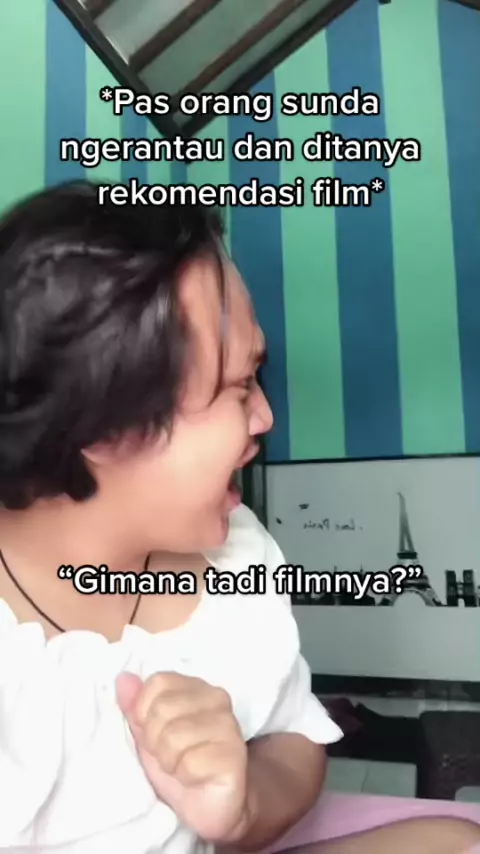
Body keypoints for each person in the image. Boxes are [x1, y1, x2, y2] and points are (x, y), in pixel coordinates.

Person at [0, 181, 478, 854]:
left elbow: (294, 741)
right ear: (106, 424)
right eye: (239, 385)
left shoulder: (235, 560)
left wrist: (242, 805)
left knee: (455, 842)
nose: (266, 417)